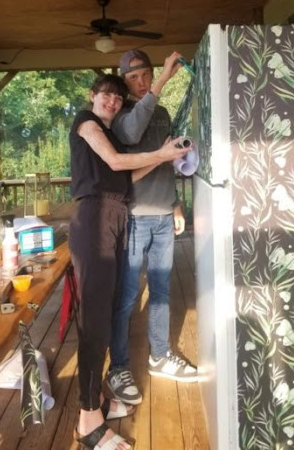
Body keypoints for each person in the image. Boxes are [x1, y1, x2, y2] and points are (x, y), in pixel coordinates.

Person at [69, 73, 191, 450]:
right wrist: (162, 155)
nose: (112, 102)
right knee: (94, 319)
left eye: (118, 99)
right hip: (94, 220)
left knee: (105, 312)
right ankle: (88, 419)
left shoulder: (113, 136)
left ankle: (99, 400)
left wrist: (163, 154)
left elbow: (129, 174)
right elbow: (115, 161)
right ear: (92, 96)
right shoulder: (86, 123)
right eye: (106, 95)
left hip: (118, 216)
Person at [107, 50, 198, 408]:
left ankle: (159, 356)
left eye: (147, 74)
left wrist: (175, 203)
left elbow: (166, 161)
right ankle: (118, 367)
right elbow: (132, 134)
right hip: (134, 217)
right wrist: (163, 81)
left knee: (160, 291)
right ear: (124, 83)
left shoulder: (161, 112)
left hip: (162, 215)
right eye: (134, 78)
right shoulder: (121, 116)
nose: (143, 82)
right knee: (128, 295)